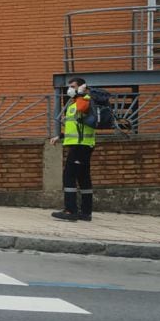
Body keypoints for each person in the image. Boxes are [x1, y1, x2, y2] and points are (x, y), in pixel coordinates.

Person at [50, 76, 95, 221]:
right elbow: (76, 126)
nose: (70, 89)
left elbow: (82, 109)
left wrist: (81, 93)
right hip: (80, 144)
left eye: (73, 86)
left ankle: (71, 211)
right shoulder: (73, 103)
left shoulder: (85, 100)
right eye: (69, 86)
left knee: (69, 176)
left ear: (82, 87)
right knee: (83, 178)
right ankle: (86, 212)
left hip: (80, 146)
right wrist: (61, 136)